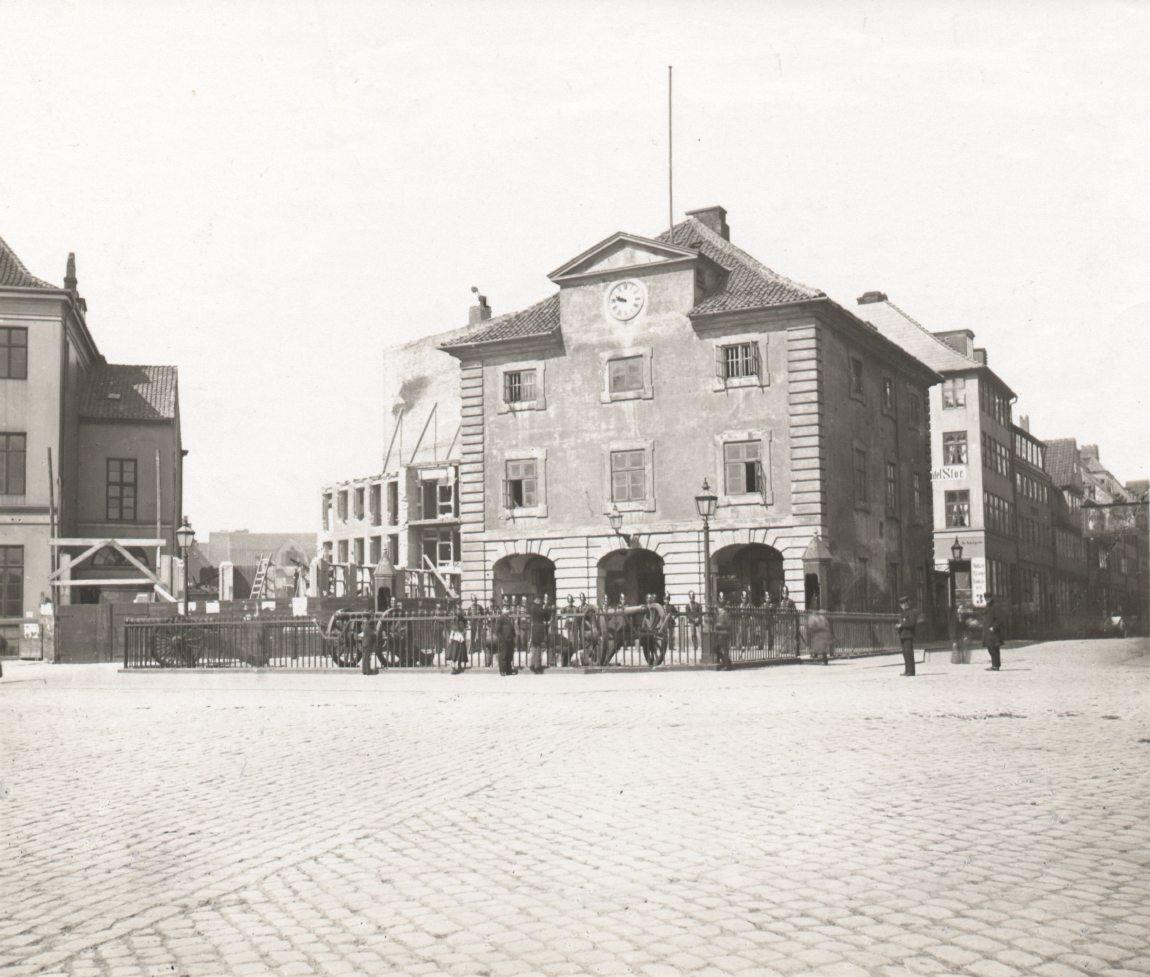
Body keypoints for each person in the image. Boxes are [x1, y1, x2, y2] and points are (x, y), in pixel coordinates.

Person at [897, 595, 921, 676]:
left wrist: (902, 625)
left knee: (909, 653)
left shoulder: (911, 612)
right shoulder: (902, 613)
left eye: (904, 603)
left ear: (907, 603)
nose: (903, 605)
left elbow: (912, 623)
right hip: (903, 635)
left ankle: (911, 671)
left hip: (908, 635)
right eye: (902, 604)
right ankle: (907, 670)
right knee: (905, 654)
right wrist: (899, 626)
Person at [527, 594, 550, 674]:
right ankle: (537, 666)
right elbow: (547, 616)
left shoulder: (531, 607)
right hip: (539, 628)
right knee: (538, 647)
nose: (540, 601)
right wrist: (545, 607)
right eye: (539, 599)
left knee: (534, 646)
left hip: (534, 627)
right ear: (536, 600)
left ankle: (532, 664)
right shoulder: (539, 608)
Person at [494, 602, 518, 676]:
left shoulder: (509, 618)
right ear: (502, 610)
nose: (507, 610)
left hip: (510, 639)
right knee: (503, 655)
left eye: (508, 609)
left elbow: (512, 628)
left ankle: (508, 669)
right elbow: (497, 630)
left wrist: (514, 636)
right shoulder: (501, 618)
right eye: (505, 609)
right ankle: (503, 670)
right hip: (504, 640)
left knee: (509, 655)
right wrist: (501, 639)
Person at [982, 595, 1004, 670]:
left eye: (988, 598)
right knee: (990, 648)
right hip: (988, 632)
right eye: (986, 598)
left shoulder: (995, 606)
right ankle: (994, 665)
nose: (987, 600)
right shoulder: (987, 607)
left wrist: (994, 627)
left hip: (993, 632)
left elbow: (1000, 618)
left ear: (991, 598)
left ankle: (996, 665)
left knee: (994, 648)